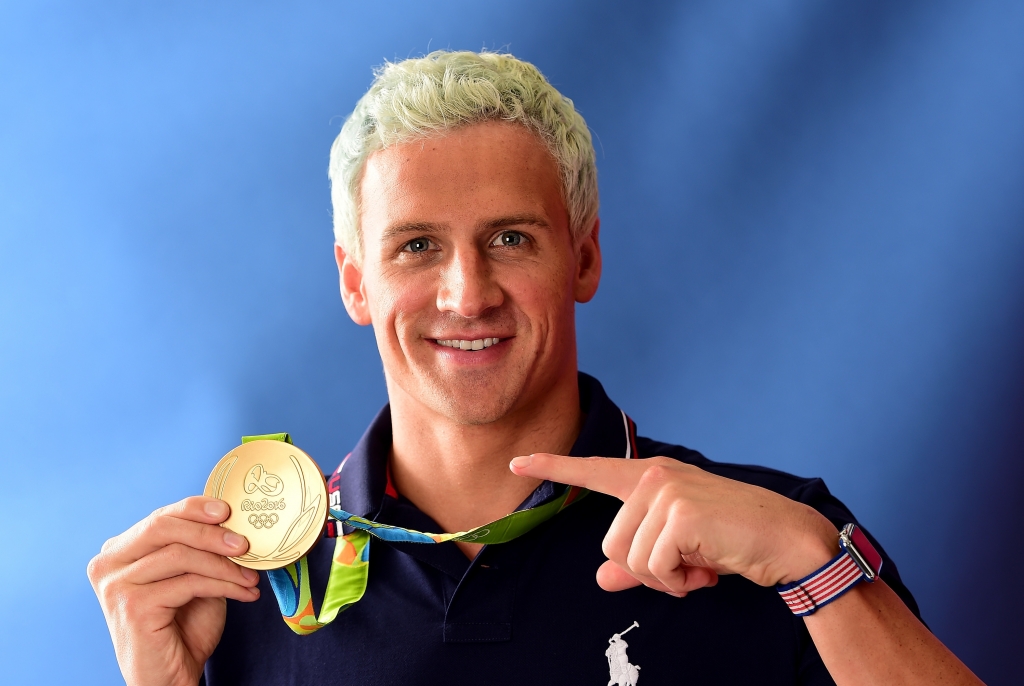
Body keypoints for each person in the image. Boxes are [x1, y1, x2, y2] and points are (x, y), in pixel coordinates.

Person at [87, 51, 983, 686]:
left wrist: (810, 565)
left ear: (584, 259)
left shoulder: (783, 545)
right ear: (356, 283)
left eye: (510, 238)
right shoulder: (245, 592)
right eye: (416, 247)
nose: (466, 293)